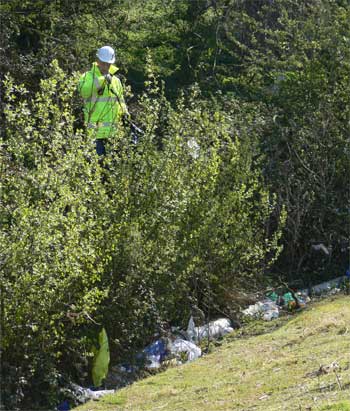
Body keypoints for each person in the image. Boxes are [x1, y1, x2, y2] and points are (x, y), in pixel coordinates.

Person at [78, 46, 129, 155]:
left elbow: (120, 100)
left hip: (114, 134)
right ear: (97, 60)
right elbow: (84, 92)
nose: (106, 66)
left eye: (108, 64)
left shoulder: (116, 81)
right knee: (96, 168)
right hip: (95, 134)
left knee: (111, 169)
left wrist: (125, 113)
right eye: (103, 63)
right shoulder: (87, 76)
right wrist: (103, 80)